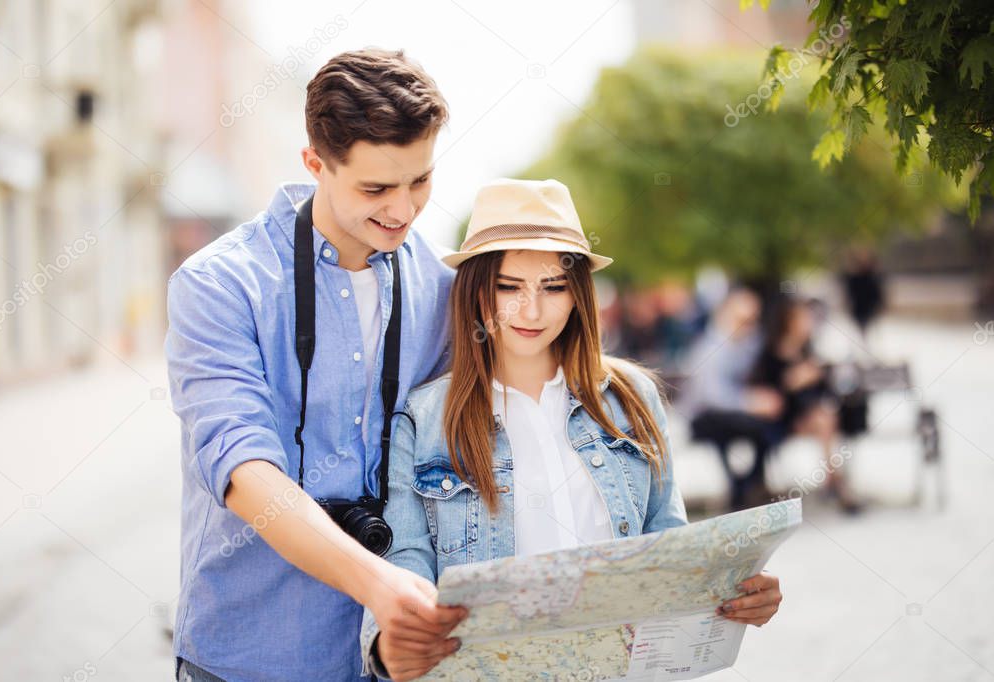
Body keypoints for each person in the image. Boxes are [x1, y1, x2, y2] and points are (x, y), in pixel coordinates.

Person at [359, 179, 784, 681]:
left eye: (553, 287)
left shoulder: (633, 399)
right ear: (476, 290)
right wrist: (391, 643)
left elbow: (668, 546)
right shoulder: (425, 418)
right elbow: (406, 562)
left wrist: (733, 591)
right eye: (509, 287)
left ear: (579, 293)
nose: (531, 311)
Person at [164, 49, 466, 681]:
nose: (404, 210)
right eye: (376, 188)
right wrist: (379, 583)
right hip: (250, 654)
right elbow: (243, 470)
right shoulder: (219, 284)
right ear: (314, 163)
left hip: (394, 657)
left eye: (420, 181)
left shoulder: (443, 286)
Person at [749, 297, 863, 514]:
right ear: (789, 321)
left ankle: (834, 479)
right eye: (803, 319)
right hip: (782, 419)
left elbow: (825, 392)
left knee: (824, 418)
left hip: (812, 417)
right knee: (824, 419)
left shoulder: (808, 351)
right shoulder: (771, 353)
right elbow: (767, 393)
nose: (809, 323)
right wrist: (790, 382)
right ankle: (835, 481)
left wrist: (816, 376)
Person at [675, 289, 784, 510]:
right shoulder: (710, 347)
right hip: (703, 416)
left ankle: (746, 486)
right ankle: (743, 488)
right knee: (754, 426)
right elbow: (712, 397)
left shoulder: (749, 345)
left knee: (766, 426)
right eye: (744, 319)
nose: (749, 325)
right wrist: (751, 402)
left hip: (730, 416)